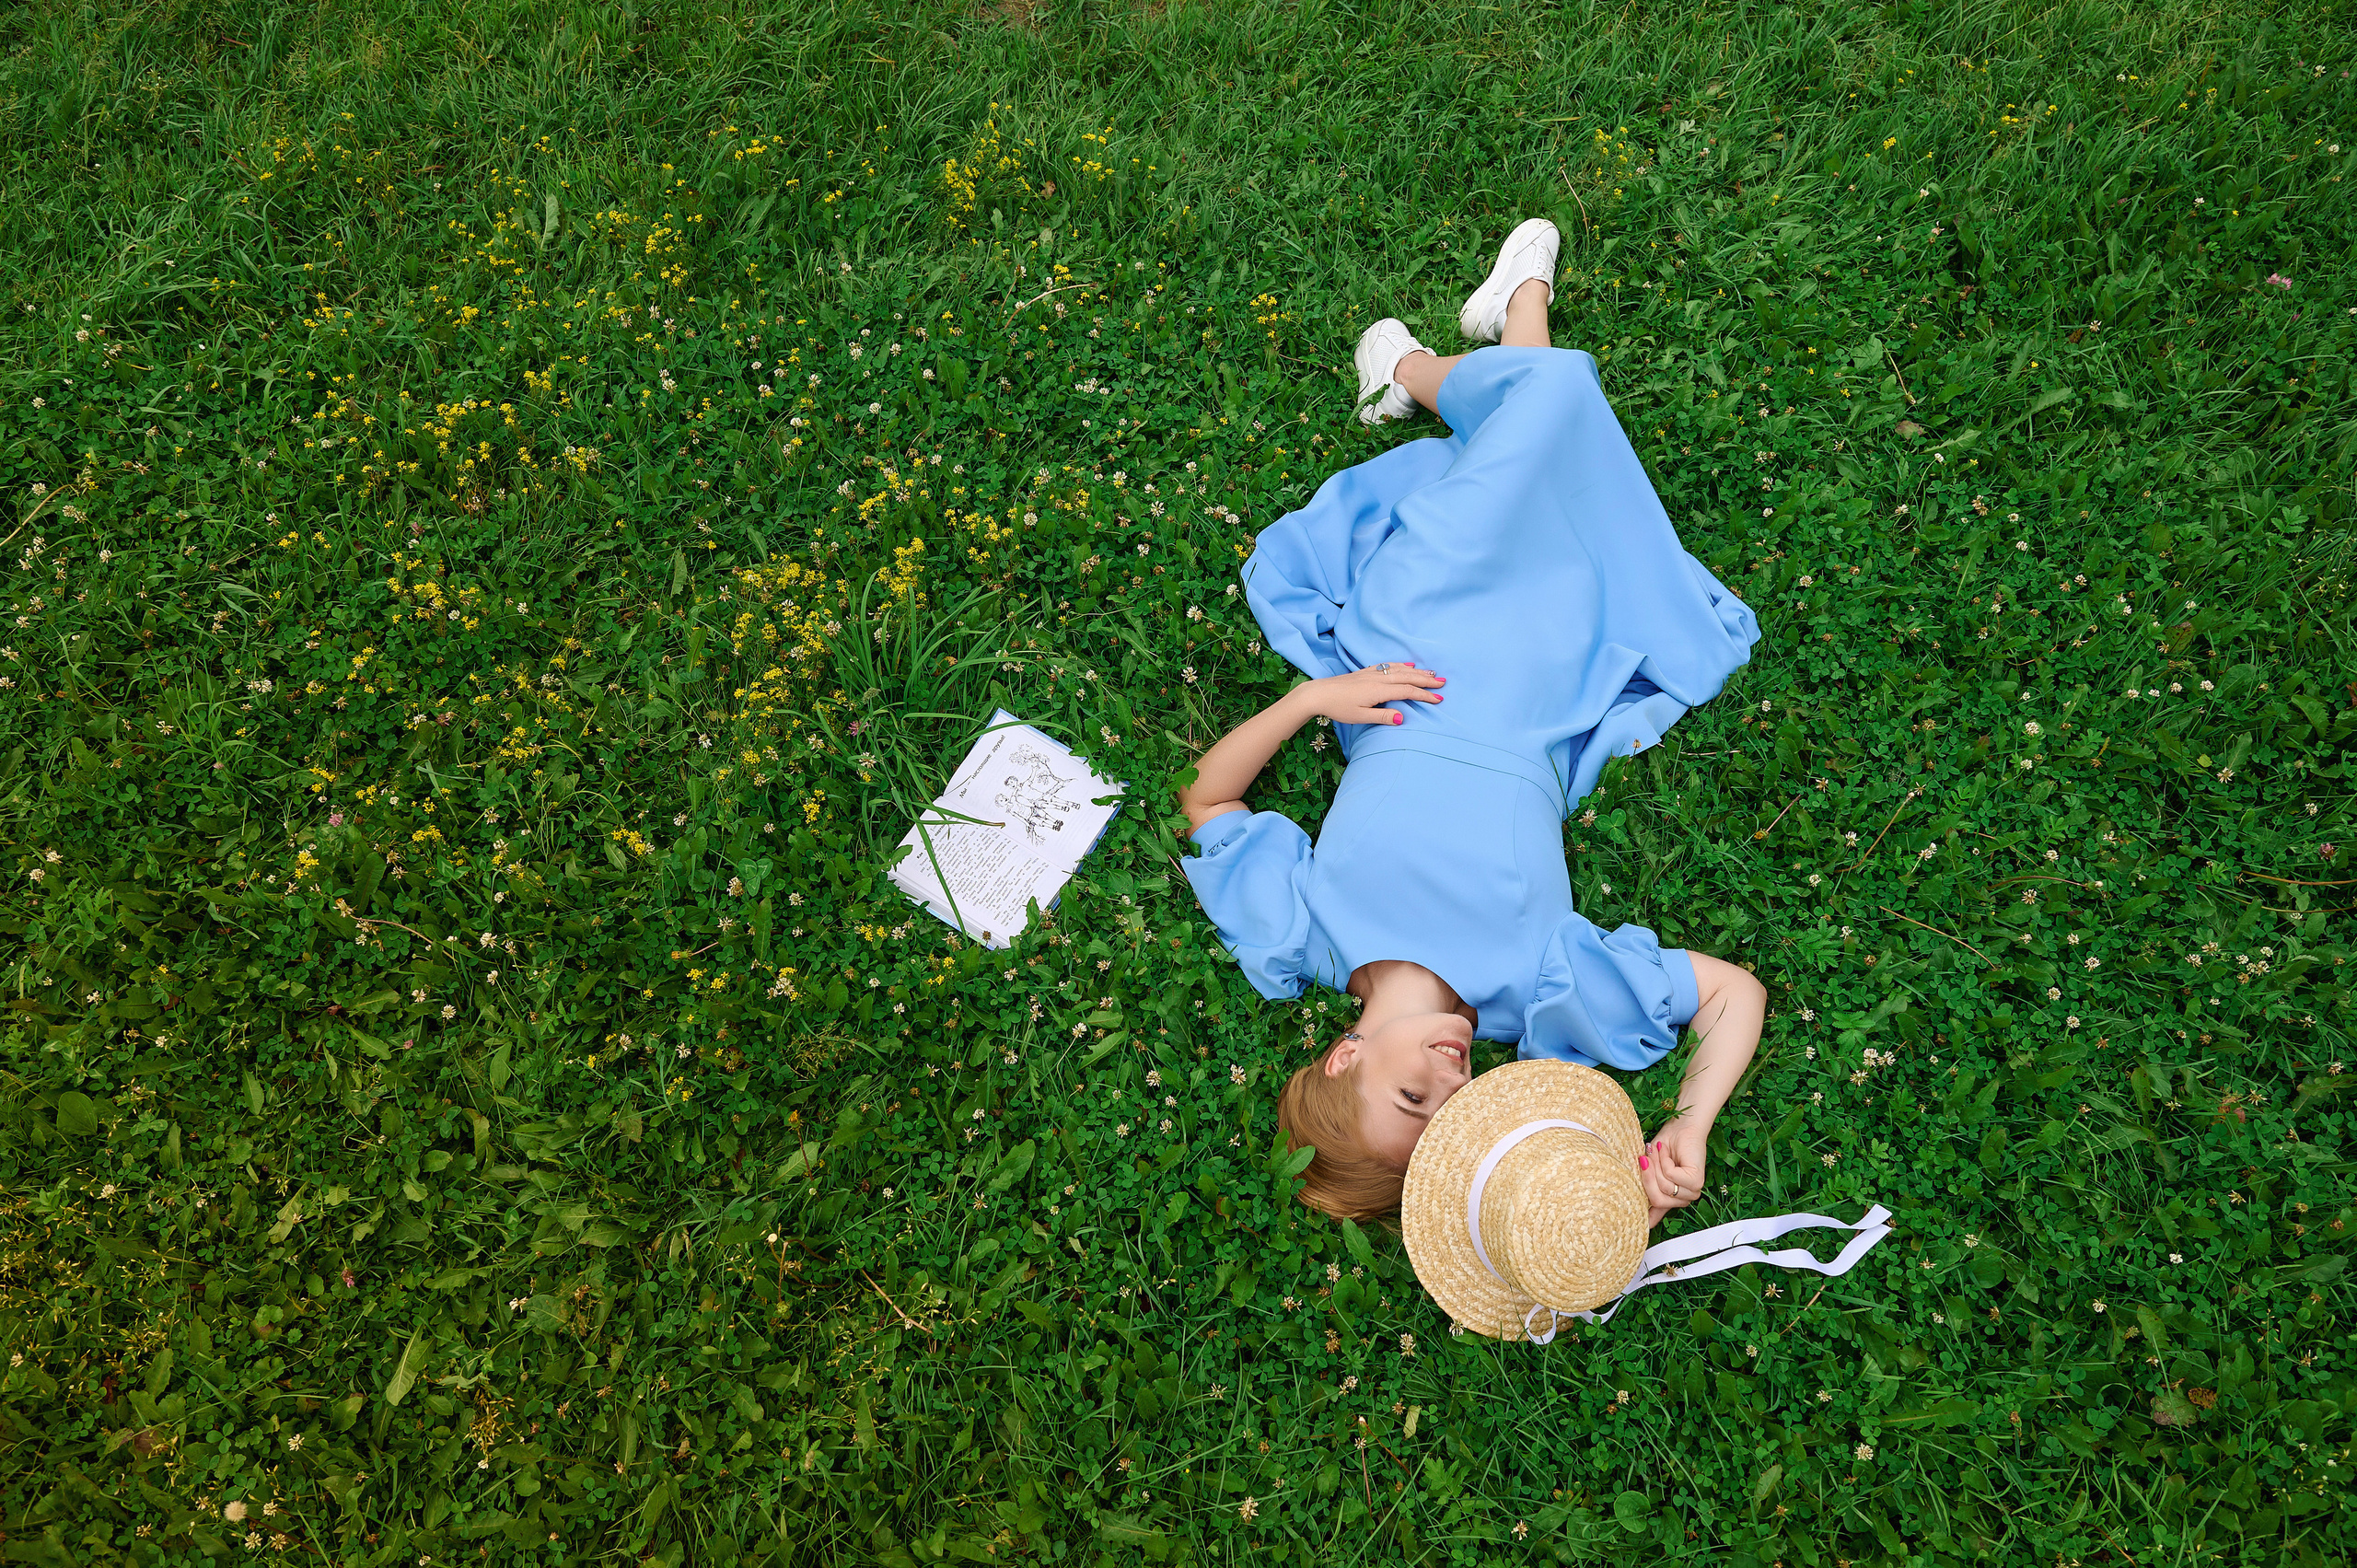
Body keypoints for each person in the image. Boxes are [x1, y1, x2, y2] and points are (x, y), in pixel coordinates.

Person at [1175, 218, 1768, 1225]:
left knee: (1548, 425)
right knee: (1545, 469)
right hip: (1547, 670)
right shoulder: (1536, 995)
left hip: (1421, 637)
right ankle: (1484, 334)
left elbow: (1208, 795)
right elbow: (1730, 994)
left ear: (1345, 1052)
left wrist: (1311, 699)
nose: (1450, 1078)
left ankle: (1417, 361)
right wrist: (1689, 1123)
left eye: (1412, 1094)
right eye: (1448, 1111)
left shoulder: (1303, 938)